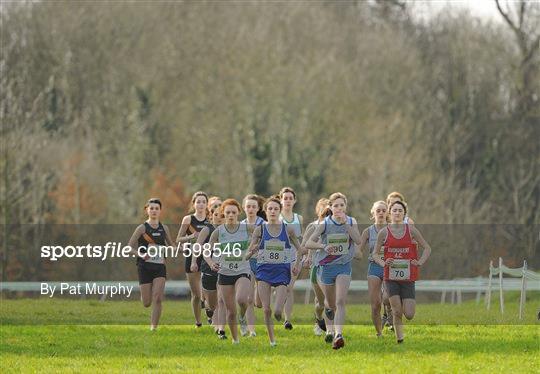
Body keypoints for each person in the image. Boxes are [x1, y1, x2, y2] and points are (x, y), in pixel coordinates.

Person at [306, 192, 363, 350]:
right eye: (335, 205)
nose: (339, 208)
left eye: (341, 205)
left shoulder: (351, 221)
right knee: (330, 304)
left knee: (340, 301)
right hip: (326, 268)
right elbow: (309, 243)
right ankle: (328, 327)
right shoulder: (324, 224)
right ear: (330, 207)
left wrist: (347, 226)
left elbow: (358, 240)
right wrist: (323, 246)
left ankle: (338, 335)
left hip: (344, 266)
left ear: (346, 206)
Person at [246, 196, 304, 347]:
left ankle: (279, 313)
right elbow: (247, 254)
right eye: (270, 209)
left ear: (280, 211)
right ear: (265, 211)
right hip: (264, 271)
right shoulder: (260, 229)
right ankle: (272, 341)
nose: (272, 211)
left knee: (277, 311)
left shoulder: (288, 229)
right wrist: (251, 251)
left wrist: (296, 264)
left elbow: (300, 249)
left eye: (276, 209)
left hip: (282, 272)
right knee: (266, 309)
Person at [373, 200, 431, 343]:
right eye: (394, 210)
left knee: (409, 314)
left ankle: (397, 315)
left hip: (408, 277)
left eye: (400, 210)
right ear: (389, 213)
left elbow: (427, 248)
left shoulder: (411, 230)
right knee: (397, 311)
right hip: (390, 277)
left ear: (404, 213)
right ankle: (400, 339)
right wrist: (383, 262)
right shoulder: (383, 232)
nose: (397, 213)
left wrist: (419, 262)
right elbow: (375, 254)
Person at [204, 199, 253, 344]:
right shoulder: (218, 232)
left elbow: (263, 237)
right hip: (225, 273)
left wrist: (253, 249)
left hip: (243, 270)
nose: (231, 215)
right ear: (223, 214)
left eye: (233, 212)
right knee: (231, 311)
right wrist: (211, 263)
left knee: (242, 299)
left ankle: (243, 317)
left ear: (239, 212)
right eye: (228, 212)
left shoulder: (247, 228)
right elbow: (206, 252)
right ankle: (235, 340)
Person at [127, 198, 174, 331]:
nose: (154, 211)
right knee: (147, 302)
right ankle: (145, 294)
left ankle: (153, 328)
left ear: (160, 211)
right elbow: (128, 247)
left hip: (159, 266)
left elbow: (172, 245)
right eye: (151, 208)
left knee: (158, 298)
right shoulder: (142, 228)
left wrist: (183, 248)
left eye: (156, 209)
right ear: (146, 210)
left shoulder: (164, 228)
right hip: (144, 267)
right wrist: (140, 254)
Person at [357, 201, 392, 337]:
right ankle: (379, 333)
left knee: (388, 298)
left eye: (384, 210)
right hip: (374, 267)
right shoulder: (368, 231)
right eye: (378, 211)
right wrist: (355, 254)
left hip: (390, 266)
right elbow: (359, 250)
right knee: (376, 304)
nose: (381, 213)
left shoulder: (392, 229)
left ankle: (389, 313)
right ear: (373, 213)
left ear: (387, 213)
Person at [176, 191, 210, 328]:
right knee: (196, 294)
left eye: (203, 202)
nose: (201, 204)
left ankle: (210, 314)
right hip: (191, 257)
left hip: (208, 256)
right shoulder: (188, 220)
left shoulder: (210, 220)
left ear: (207, 204)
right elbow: (178, 238)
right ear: (194, 204)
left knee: (208, 291)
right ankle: (198, 322)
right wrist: (191, 237)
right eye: (198, 202)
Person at [302, 198, 333, 338]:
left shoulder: (339, 227)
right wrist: (307, 257)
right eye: (323, 208)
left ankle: (333, 331)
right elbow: (306, 245)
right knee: (321, 303)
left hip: (333, 267)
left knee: (331, 300)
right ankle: (318, 319)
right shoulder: (313, 227)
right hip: (317, 266)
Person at [196, 200, 225, 335]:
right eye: (217, 215)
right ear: (211, 215)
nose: (220, 218)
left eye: (223, 215)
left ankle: (220, 329)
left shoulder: (229, 230)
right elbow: (198, 247)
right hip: (208, 268)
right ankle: (209, 309)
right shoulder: (207, 229)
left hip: (225, 269)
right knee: (213, 303)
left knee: (221, 299)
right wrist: (195, 261)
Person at [279, 187, 304, 330]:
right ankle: (276, 310)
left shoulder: (298, 218)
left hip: (294, 257)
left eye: (290, 198)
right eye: (285, 198)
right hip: (278, 257)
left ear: (294, 200)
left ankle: (287, 320)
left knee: (289, 288)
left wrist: (304, 256)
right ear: (281, 200)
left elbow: (301, 239)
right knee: (280, 287)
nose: (288, 201)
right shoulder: (276, 217)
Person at [241, 194, 266, 337]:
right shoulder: (241, 225)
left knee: (259, 302)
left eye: (253, 207)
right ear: (244, 208)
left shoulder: (264, 224)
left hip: (262, 262)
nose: (250, 209)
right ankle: (251, 330)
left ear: (258, 208)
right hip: (247, 263)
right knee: (249, 299)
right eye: (248, 206)